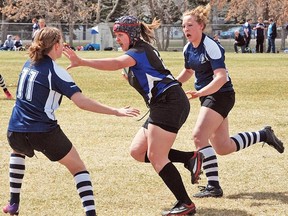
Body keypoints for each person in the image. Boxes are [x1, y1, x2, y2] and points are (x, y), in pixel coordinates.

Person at [63, 15, 204, 215]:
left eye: (120, 35)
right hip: (163, 104)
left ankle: (185, 203)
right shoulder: (137, 51)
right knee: (138, 151)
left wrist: (82, 61)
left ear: (131, 34)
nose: (117, 39)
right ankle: (189, 158)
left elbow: (114, 63)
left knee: (156, 156)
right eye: (116, 35)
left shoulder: (137, 51)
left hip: (169, 103)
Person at [2, 27, 140, 216]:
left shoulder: (28, 64)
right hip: (43, 131)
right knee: (78, 168)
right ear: (56, 45)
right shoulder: (55, 71)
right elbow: (81, 102)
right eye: (62, 42)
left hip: (15, 129)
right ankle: (91, 213)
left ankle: (13, 203)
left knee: (17, 150)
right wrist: (116, 111)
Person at [177, 4, 284, 199]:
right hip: (209, 95)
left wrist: (200, 93)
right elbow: (189, 71)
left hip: (221, 95)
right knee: (223, 147)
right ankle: (263, 135)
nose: (186, 30)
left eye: (190, 25)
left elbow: (221, 77)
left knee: (199, 136)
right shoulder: (187, 49)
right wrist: (173, 85)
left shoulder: (210, 45)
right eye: (184, 26)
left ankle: (213, 186)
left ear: (201, 26)